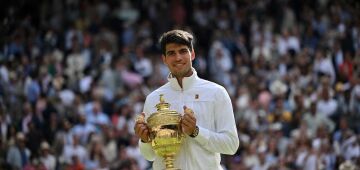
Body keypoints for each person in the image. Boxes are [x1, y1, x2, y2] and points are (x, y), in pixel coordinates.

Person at [134, 29, 239, 169]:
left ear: (193, 54)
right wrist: (144, 139)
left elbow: (231, 145)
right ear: (164, 59)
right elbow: (150, 156)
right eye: (171, 53)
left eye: (183, 51)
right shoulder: (153, 99)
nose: (178, 58)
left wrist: (196, 132)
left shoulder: (216, 93)